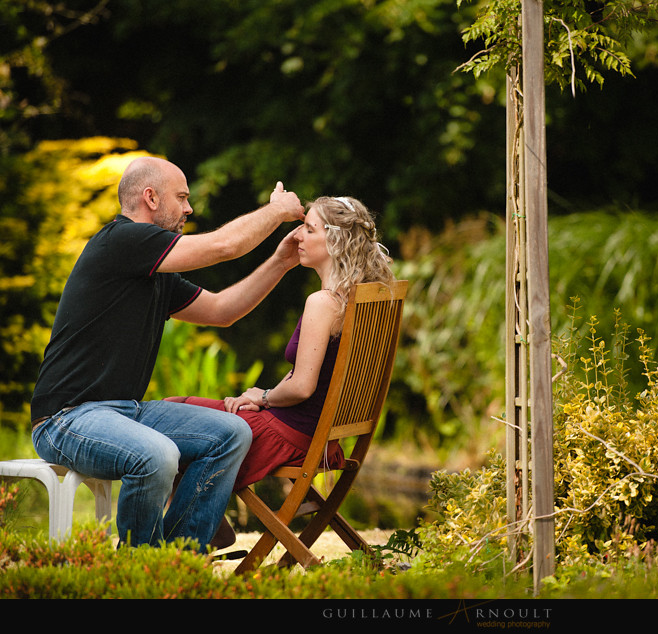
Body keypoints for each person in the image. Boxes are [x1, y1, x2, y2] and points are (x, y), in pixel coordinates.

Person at [30, 156, 305, 550]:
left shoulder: (154, 271)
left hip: (124, 411)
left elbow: (222, 311)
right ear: (151, 198)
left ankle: (180, 558)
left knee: (231, 433)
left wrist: (280, 262)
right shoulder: (122, 241)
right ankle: (141, 566)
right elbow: (224, 246)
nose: (189, 209)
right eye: (182, 197)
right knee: (156, 455)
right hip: (66, 418)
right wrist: (276, 211)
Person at [166, 195, 395, 504]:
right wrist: (262, 399)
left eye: (310, 229)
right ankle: (199, 525)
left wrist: (262, 397)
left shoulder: (324, 303)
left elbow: (302, 387)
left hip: (288, 438)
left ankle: (183, 529)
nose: (298, 235)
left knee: (170, 418)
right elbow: (312, 376)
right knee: (178, 410)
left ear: (336, 241)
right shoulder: (361, 299)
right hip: (316, 437)